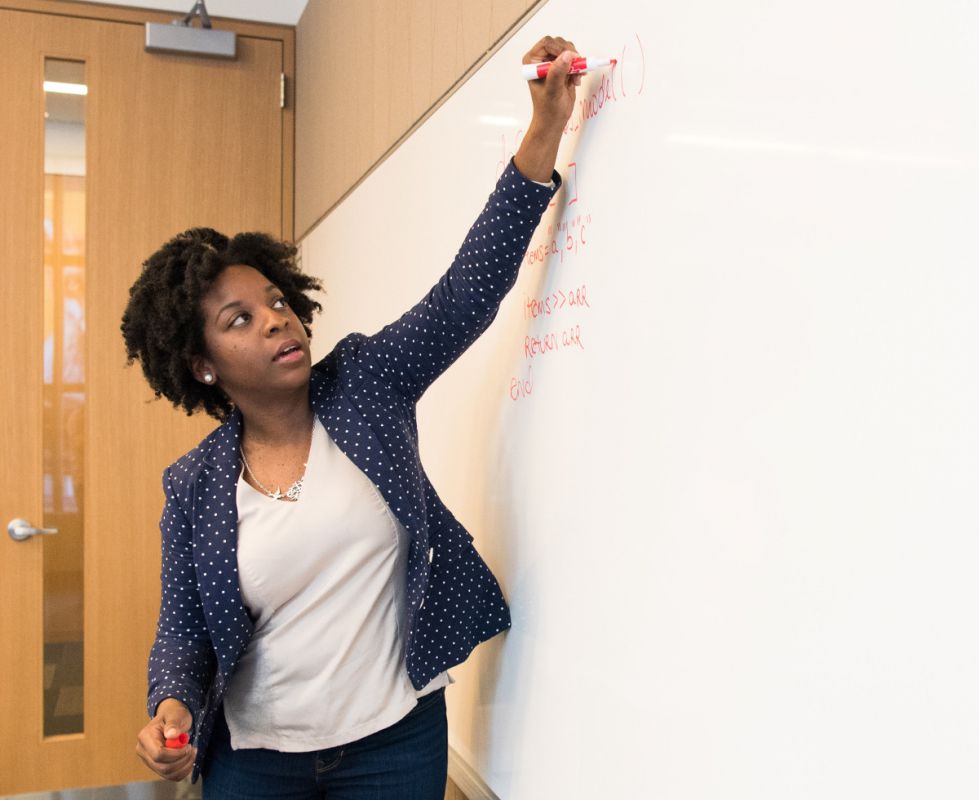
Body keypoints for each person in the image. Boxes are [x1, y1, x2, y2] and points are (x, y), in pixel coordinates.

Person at [126, 35, 580, 798]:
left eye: (275, 301)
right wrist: (168, 707)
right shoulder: (195, 485)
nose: (274, 321)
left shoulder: (366, 383)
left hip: (394, 740)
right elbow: (182, 632)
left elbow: (465, 293)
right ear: (200, 364)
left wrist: (542, 129)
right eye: (238, 320)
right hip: (255, 759)